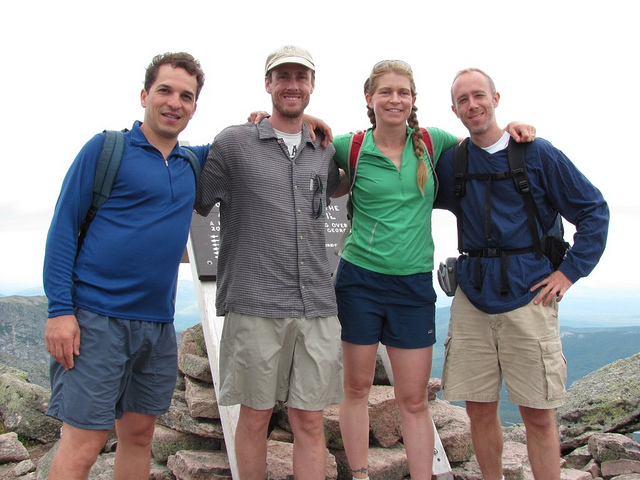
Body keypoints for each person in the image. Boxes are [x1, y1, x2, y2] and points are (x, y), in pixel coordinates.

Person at [330, 61, 535, 480]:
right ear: (369, 99)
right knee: (355, 390)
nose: (394, 99)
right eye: (385, 92)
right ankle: (362, 473)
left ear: (413, 99)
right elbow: (302, 138)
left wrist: (515, 127)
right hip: (359, 281)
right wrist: (263, 119)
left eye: (403, 92)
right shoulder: (349, 146)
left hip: (413, 285)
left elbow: (484, 146)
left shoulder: (431, 140)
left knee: (414, 400)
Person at [435, 68, 609, 479]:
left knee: (538, 414)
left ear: (496, 99)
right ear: (455, 110)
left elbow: (593, 209)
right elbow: (401, 161)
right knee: (478, 410)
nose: (472, 105)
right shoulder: (454, 160)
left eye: (479, 95)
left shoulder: (536, 152)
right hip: (473, 296)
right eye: (463, 99)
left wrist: (569, 272)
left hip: (530, 295)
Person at [43, 52, 208, 480]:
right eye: (165, 90)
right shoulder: (105, 149)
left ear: (194, 106)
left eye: (186, 96)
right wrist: (59, 311)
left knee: (139, 435)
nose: (175, 102)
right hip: (96, 320)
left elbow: (248, 140)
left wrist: (277, 118)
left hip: (156, 324)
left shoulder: (192, 162)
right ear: (144, 95)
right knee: (84, 443)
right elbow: (63, 230)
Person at [194, 45, 344, 480]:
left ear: (312, 86)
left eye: (301, 77)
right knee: (255, 418)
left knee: (311, 421)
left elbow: (338, 187)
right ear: (268, 85)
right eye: (283, 77)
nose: (292, 85)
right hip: (255, 301)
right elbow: (197, 199)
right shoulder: (234, 144)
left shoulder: (324, 148)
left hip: (316, 303)